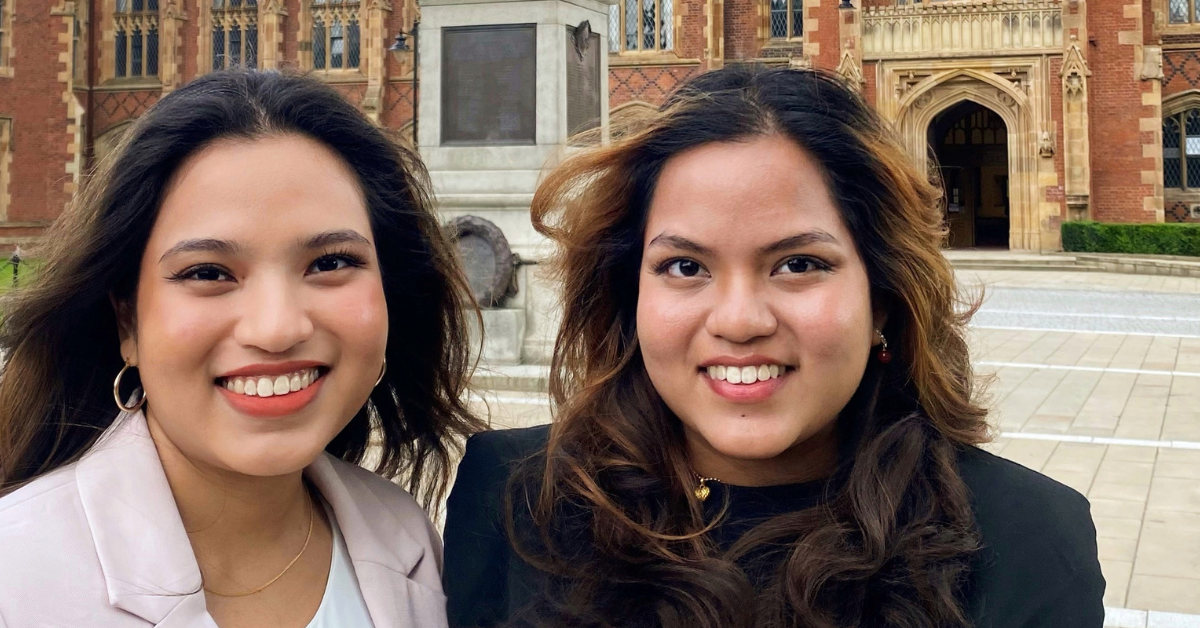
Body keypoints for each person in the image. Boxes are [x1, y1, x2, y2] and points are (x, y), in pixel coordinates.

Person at [442, 65, 1105, 628]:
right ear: (629, 291)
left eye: (797, 265)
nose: (738, 320)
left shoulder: (1026, 537)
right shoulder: (512, 493)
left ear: (883, 293)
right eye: (685, 267)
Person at [0, 69, 483, 628]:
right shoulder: (18, 575)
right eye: (208, 272)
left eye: (330, 263)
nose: (276, 329)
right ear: (126, 319)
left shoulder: (410, 542)